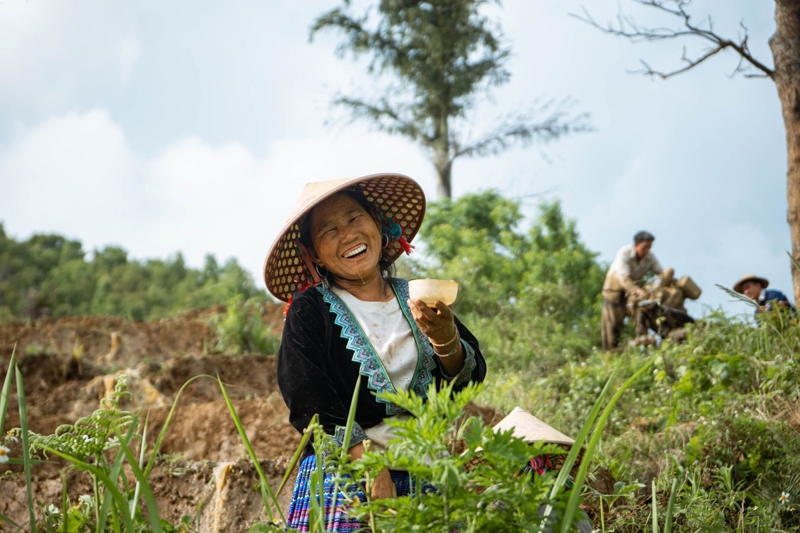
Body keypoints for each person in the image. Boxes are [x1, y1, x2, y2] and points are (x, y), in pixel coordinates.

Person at [263, 173, 486, 531]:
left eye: (355, 218)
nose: (348, 235)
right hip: (346, 474)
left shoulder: (419, 296)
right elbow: (310, 400)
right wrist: (370, 467)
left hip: (427, 468)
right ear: (313, 254)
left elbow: (468, 379)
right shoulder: (311, 310)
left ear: (380, 226)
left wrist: (446, 340)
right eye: (329, 231)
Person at [601, 231, 663, 350]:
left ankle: (645, 345)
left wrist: (669, 279)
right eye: (645, 247)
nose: (647, 250)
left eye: (649, 247)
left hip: (631, 294)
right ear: (636, 244)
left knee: (642, 316)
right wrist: (640, 292)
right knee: (613, 327)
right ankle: (611, 354)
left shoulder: (650, 257)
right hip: (614, 292)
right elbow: (624, 279)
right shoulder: (624, 253)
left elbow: (661, 272)